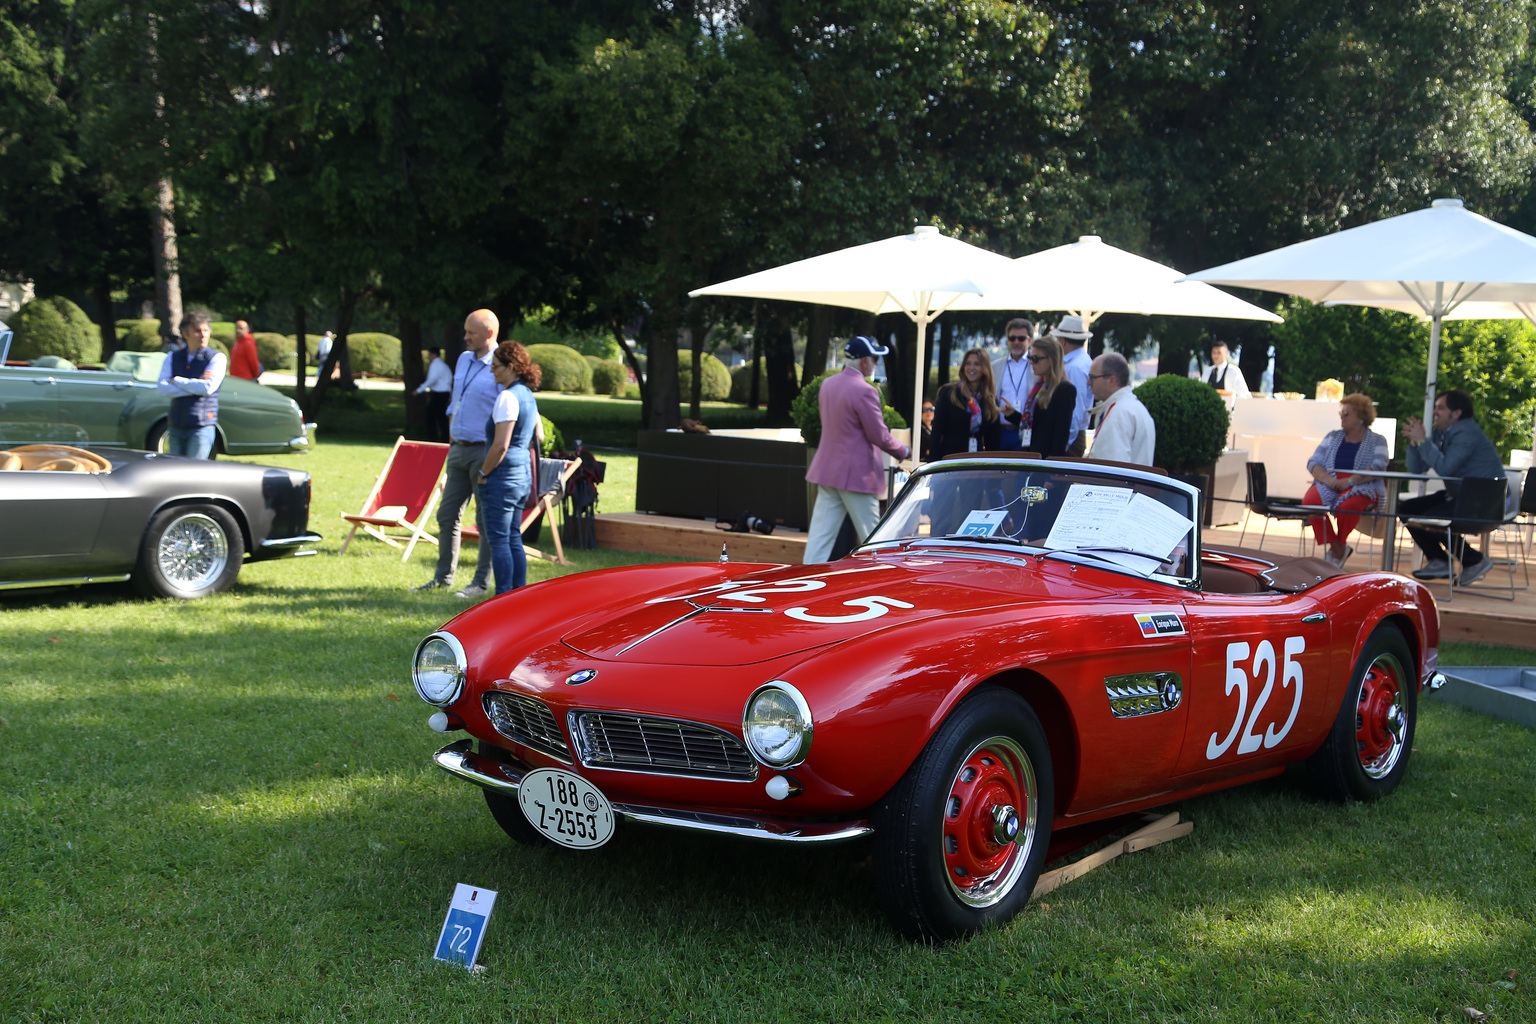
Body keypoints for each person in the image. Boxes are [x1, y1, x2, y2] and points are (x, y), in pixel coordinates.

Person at [411, 309, 500, 597]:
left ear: (489, 334)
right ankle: (442, 578)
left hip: (484, 451)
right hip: (459, 449)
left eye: (471, 332)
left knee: (485, 521)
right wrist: (452, 434)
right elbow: (455, 400)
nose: (465, 337)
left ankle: (479, 584)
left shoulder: (501, 364)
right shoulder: (463, 359)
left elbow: (507, 413)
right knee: (447, 515)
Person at [803, 336, 911, 563]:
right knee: (873, 537)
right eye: (874, 359)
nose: (875, 363)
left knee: (819, 539)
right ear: (864, 362)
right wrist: (904, 451)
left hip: (828, 472)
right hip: (856, 475)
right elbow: (878, 435)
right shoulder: (865, 390)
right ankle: (882, 582)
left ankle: (804, 586)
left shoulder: (827, 385)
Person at [1398, 388, 1507, 585]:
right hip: (1462, 496)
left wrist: (1423, 441)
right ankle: (1440, 560)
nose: (1435, 412)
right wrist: (1415, 443)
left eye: (1440, 408)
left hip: (1482, 502)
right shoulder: (1443, 433)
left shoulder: (1466, 433)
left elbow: (1445, 469)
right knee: (1406, 509)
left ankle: (1473, 560)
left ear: (1456, 413)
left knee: (1429, 517)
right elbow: (1416, 469)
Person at [476, 341, 543, 596]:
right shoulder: (527, 394)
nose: (492, 372)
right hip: (522, 474)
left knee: (499, 540)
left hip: (502, 477)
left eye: (495, 367)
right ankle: (519, 595)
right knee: (513, 536)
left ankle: (503, 596)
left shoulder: (507, 397)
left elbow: (500, 445)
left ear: (510, 367)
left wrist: (483, 473)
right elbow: (541, 435)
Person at [1302, 393, 1388, 567]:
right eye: (1341, 412)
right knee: (1310, 503)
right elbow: (1314, 462)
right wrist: (1327, 479)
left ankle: (1338, 546)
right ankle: (1338, 548)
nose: (1342, 416)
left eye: (1347, 413)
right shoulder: (1333, 436)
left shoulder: (1378, 440)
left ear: (1362, 417)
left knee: (1348, 507)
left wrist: (1349, 481)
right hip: (1330, 481)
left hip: (1363, 484)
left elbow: (1378, 467)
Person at [155, 309, 225, 459]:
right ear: (185, 334)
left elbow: (207, 388)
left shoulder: (217, 358)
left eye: (206, 330)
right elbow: (162, 388)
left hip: (201, 425)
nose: (203, 335)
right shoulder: (172, 357)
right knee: (175, 471)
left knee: (195, 472)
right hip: (175, 424)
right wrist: (195, 384)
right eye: (197, 331)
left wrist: (177, 381)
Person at [930, 347, 1001, 458]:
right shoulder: (949, 393)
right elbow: (936, 433)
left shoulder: (990, 401)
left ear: (985, 368)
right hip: (949, 459)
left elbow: (993, 442)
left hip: (974, 462)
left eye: (976, 364)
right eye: (968, 363)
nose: (971, 368)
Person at [1086, 352, 1155, 465]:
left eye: (1092, 378)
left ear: (1112, 380)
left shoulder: (1118, 414)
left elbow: (1111, 471)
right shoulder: (1133, 407)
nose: (1088, 382)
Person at [1024, 336, 1076, 458]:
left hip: (1046, 460)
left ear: (1052, 360)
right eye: (1030, 357)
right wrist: (1012, 415)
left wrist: (1053, 466)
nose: (1031, 362)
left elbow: (1061, 434)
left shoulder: (1064, 389)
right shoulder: (1040, 386)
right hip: (1032, 454)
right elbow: (1036, 424)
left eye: (1036, 359)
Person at [1051, 315, 1094, 456]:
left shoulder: (1075, 367)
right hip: (1072, 436)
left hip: (1071, 439)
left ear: (1063, 341)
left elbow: (1076, 410)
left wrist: (1063, 445)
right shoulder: (1081, 362)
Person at [993, 318, 1035, 451]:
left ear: (1030, 340)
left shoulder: (1037, 367)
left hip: (1026, 432)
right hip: (1000, 432)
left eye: (1021, 338)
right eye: (1012, 338)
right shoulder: (995, 367)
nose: (1016, 342)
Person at [415, 346, 453, 442]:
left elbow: (432, 379)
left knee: (432, 417)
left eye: (429, 355)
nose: (428, 357)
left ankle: (435, 438)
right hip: (444, 393)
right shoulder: (443, 365)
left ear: (434, 354)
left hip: (439, 394)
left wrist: (419, 390)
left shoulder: (436, 365)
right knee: (440, 417)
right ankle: (443, 437)